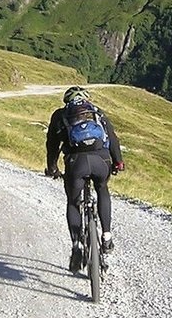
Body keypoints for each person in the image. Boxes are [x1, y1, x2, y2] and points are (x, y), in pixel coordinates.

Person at [44, 86, 125, 272]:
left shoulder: (60, 116)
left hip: (76, 163)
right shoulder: (96, 112)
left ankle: (77, 245)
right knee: (102, 189)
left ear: (67, 101)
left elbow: (52, 144)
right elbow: (112, 138)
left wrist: (52, 168)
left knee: (73, 202)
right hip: (101, 160)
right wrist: (118, 162)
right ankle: (106, 236)